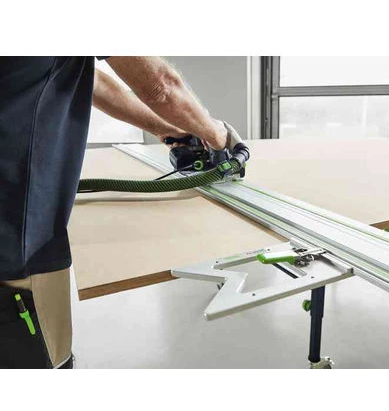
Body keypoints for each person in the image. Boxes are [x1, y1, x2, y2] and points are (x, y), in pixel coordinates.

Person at [0, 56, 232, 368]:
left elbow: (92, 79)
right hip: (17, 234)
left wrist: (167, 128)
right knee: (41, 359)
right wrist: (220, 137)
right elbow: (161, 86)